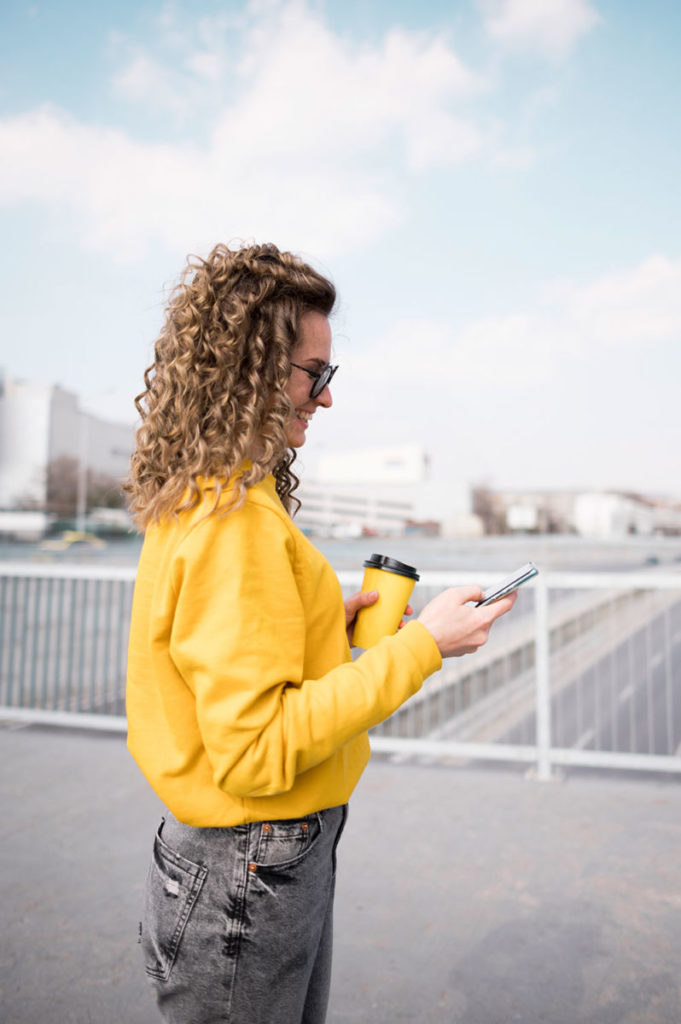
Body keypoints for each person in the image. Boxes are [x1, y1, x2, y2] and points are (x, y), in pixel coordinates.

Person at [125, 241, 516, 1024]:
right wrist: (422, 647)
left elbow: (215, 649)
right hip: (248, 869)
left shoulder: (210, 495)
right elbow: (255, 749)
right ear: (254, 369)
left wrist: (312, 624)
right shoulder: (237, 521)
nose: (326, 396)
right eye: (316, 372)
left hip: (246, 861)